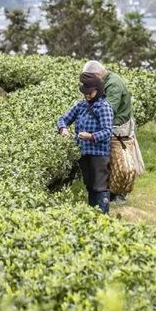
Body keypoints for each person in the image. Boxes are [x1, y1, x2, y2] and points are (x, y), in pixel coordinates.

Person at [81, 60, 144, 203]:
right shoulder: (105, 81)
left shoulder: (113, 84)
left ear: (97, 74)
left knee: (118, 163)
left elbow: (108, 110)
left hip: (118, 128)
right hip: (112, 126)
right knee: (108, 162)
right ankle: (107, 193)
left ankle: (118, 194)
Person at [56, 72, 114, 214]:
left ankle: (103, 217)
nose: (87, 95)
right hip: (83, 152)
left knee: (100, 187)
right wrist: (63, 129)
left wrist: (91, 136)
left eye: (90, 93)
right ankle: (92, 218)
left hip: (99, 154)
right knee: (90, 186)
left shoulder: (103, 107)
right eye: (86, 93)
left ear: (98, 90)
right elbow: (62, 119)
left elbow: (108, 131)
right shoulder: (81, 105)